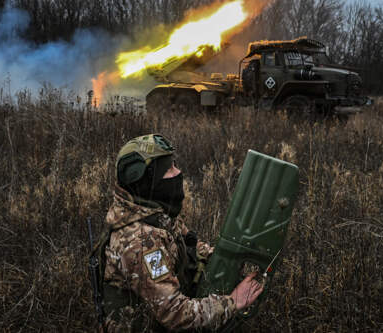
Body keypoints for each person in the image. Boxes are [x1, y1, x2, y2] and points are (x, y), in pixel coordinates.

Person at [94, 134, 263, 332]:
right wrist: (233, 302)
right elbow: (176, 315)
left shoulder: (156, 213)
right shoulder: (140, 242)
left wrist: (227, 261)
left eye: (175, 164)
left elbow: (191, 246)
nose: (178, 173)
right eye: (168, 170)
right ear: (147, 182)